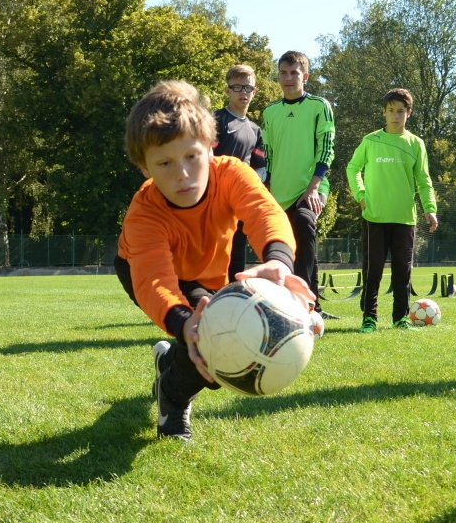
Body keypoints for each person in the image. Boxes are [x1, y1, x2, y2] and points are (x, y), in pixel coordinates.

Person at [115, 81, 313, 440]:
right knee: (208, 346)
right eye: (164, 163)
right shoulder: (143, 214)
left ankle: (167, 363)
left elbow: (265, 214)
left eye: (191, 156)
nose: (183, 174)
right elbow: (154, 280)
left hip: (206, 273)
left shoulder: (232, 173)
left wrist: (279, 262)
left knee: (211, 337)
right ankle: (172, 401)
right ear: (144, 167)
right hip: (144, 272)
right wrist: (183, 323)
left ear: (210, 147)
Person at [346, 88, 438, 332]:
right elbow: (353, 168)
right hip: (374, 216)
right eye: (391, 111)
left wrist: (430, 208)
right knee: (372, 270)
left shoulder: (416, 144)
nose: (395, 116)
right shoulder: (370, 140)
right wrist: (361, 195)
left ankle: (400, 318)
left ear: (409, 113)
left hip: (404, 219)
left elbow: (424, 180)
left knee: (402, 272)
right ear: (383, 113)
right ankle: (369, 318)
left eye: (400, 111)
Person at [261, 51, 337, 317]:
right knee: (288, 246)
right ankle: (310, 304)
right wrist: (266, 188)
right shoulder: (269, 112)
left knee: (304, 224)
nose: (289, 78)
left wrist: (314, 186)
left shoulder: (319, 106)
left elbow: (327, 149)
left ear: (305, 76)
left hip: (312, 187)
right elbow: (268, 156)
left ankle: (302, 305)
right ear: (278, 76)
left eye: (294, 73)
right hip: (279, 192)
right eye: (283, 72)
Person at [213, 64, 267, 282]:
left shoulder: (255, 130)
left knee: (237, 253)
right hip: (214, 199)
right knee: (212, 253)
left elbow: (260, 167)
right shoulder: (215, 121)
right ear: (227, 91)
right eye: (237, 87)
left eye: (248, 88)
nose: (243, 92)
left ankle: (234, 299)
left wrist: (251, 184)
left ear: (254, 92)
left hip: (240, 201)